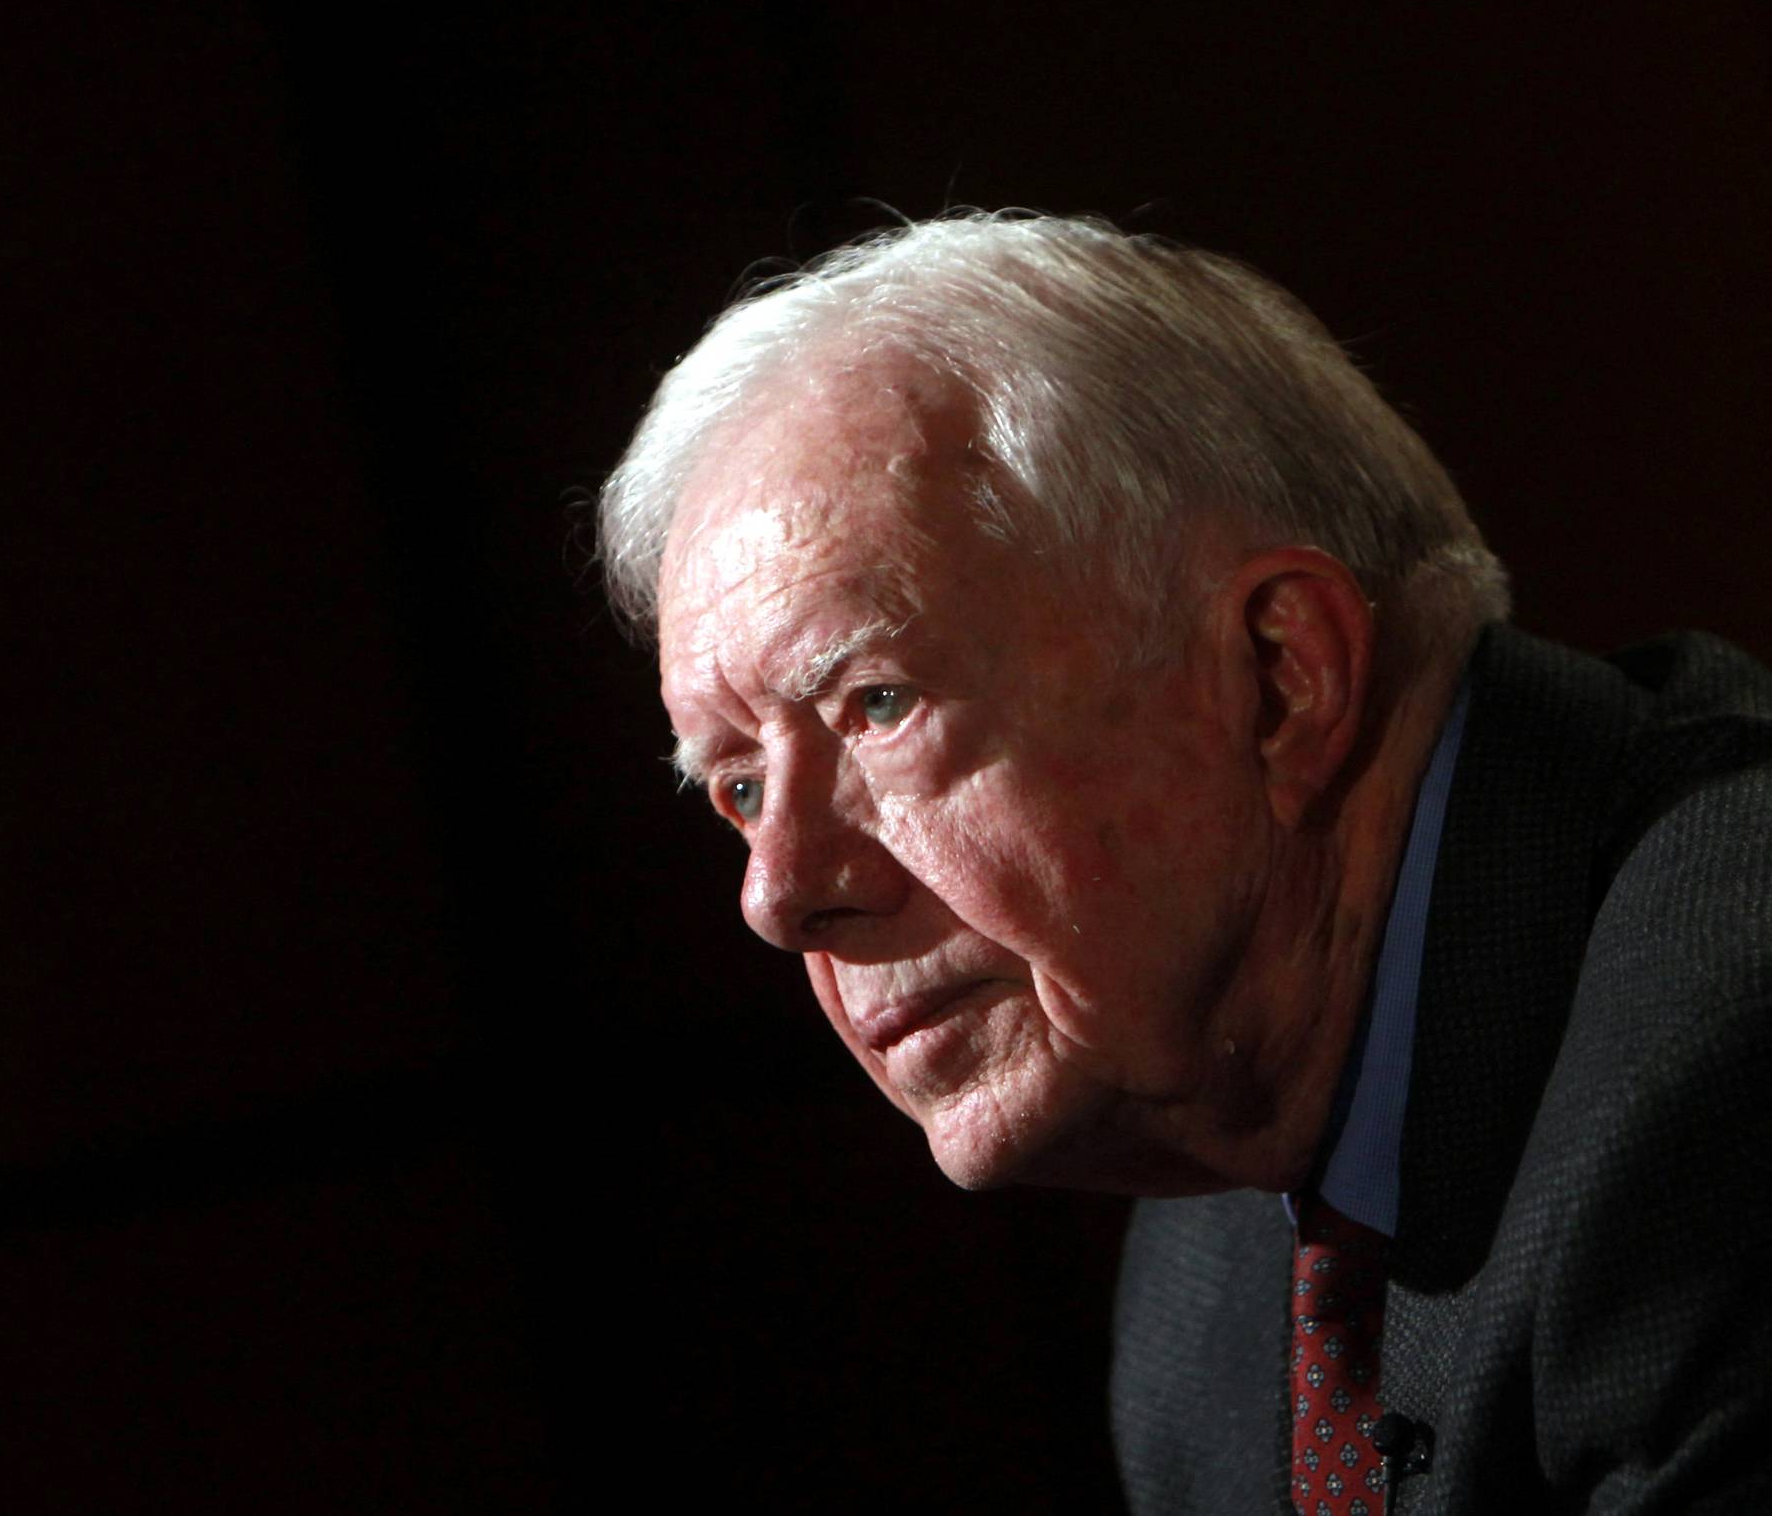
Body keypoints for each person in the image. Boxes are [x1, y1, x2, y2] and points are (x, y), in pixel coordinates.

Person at [596, 212, 1772, 1515]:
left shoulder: (1726, 1057)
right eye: (741, 787)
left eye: (876, 706)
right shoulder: (1202, 1284)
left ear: (1279, 677)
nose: (777, 893)